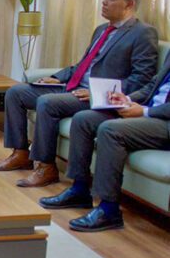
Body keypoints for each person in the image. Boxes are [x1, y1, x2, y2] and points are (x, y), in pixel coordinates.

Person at [0, 0, 158, 187]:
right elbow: (83, 65)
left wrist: (98, 93)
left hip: (95, 96)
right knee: (16, 92)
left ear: (129, 4)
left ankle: (46, 167)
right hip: (72, 86)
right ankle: (21, 153)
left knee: (47, 103)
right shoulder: (102, 30)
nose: (104, 2)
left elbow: (141, 79)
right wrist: (58, 77)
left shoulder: (143, 33)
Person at [39, 52, 170, 231]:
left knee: (110, 130)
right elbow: (153, 86)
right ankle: (79, 189)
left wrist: (145, 112)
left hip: (163, 121)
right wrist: (127, 99)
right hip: (148, 111)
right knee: (83, 119)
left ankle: (109, 210)